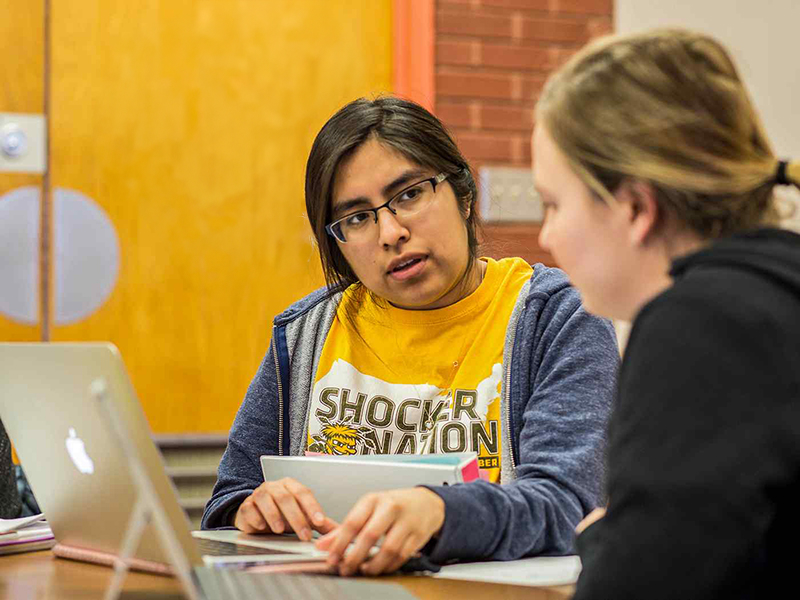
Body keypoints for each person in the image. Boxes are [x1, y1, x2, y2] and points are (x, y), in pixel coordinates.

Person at [202, 96, 619, 576]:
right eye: (357, 218)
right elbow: (230, 497)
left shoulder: (558, 317)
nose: (390, 232)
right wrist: (256, 507)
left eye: (409, 194)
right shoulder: (305, 333)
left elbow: (567, 504)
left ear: (462, 193)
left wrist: (441, 513)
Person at [532, 28, 800, 599]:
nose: (545, 235)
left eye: (554, 204)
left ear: (635, 207)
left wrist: (609, 543)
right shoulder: (776, 292)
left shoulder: (700, 324)